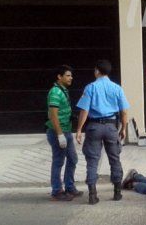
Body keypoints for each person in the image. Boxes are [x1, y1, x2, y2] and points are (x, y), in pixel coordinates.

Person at [75, 60, 130, 205]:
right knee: (114, 158)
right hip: (111, 127)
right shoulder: (117, 88)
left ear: (97, 71)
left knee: (92, 161)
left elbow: (84, 110)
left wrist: (79, 129)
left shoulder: (90, 87)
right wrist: (123, 128)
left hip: (94, 127)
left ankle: (92, 195)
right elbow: (124, 112)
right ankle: (117, 193)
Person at [45, 65, 81, 201]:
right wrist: (60, 135)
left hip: (66, 131)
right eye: (67, 75)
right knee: (58, 161)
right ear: (59, 77)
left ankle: (69, 187)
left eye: (71, 75)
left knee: (72, 158)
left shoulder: (63, 90)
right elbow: (53, 114)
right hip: (57, 132)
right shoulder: (55, 92)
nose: (71, 78)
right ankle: (56, 191)